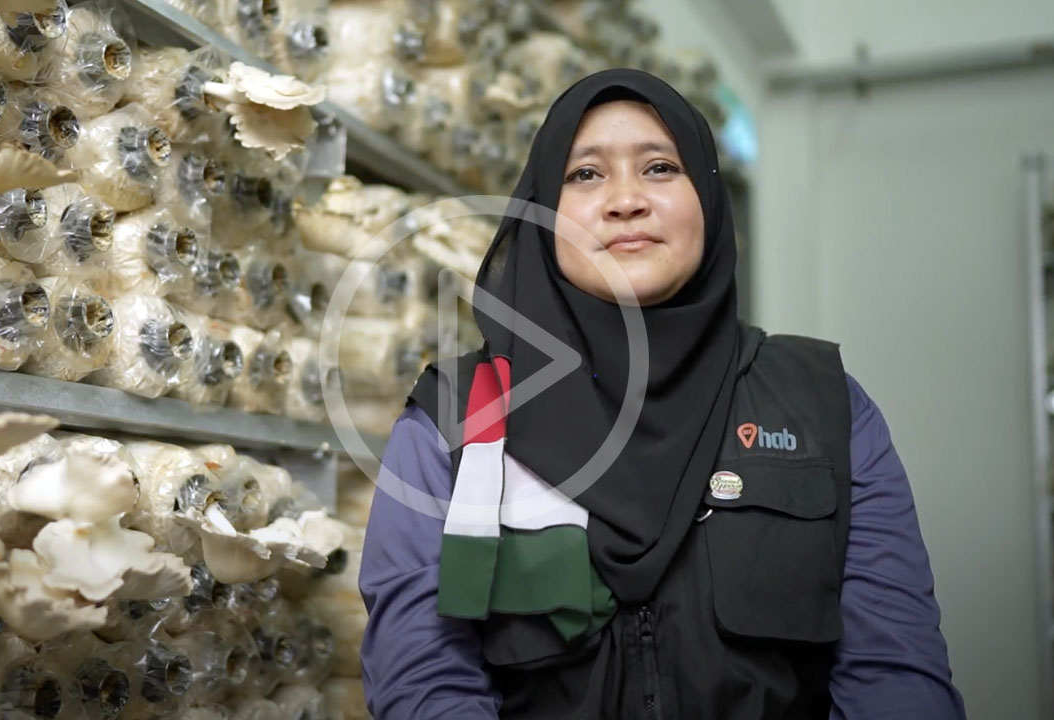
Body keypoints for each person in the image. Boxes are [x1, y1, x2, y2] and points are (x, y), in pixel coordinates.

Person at [358, 68, 967, 719]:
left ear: (708, 198)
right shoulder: (453, 419)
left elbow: (893, 677)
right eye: (585, 174)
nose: (625, 200)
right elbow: (424, 679)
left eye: (660, 168)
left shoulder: (824, 407)